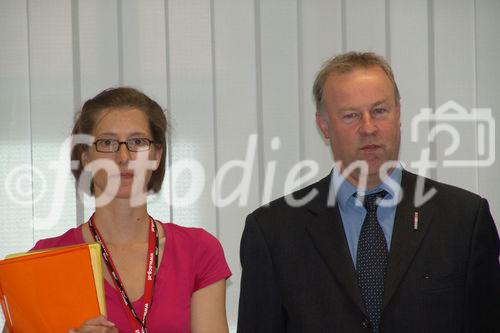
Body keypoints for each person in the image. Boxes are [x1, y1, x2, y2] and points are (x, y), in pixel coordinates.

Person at [237, 52, 500, 333]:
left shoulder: (464, 219)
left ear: (398, 114)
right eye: (351, 116)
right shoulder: (273, 232)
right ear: (324, 125)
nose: (369, 128)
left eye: (379, 111)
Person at [3, 87, 231, 333]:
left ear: (156, 155)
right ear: (86, 157)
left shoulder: (198, 251)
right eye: (107, 142)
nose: (123, 156)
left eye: (137, 142)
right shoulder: (45, 260)